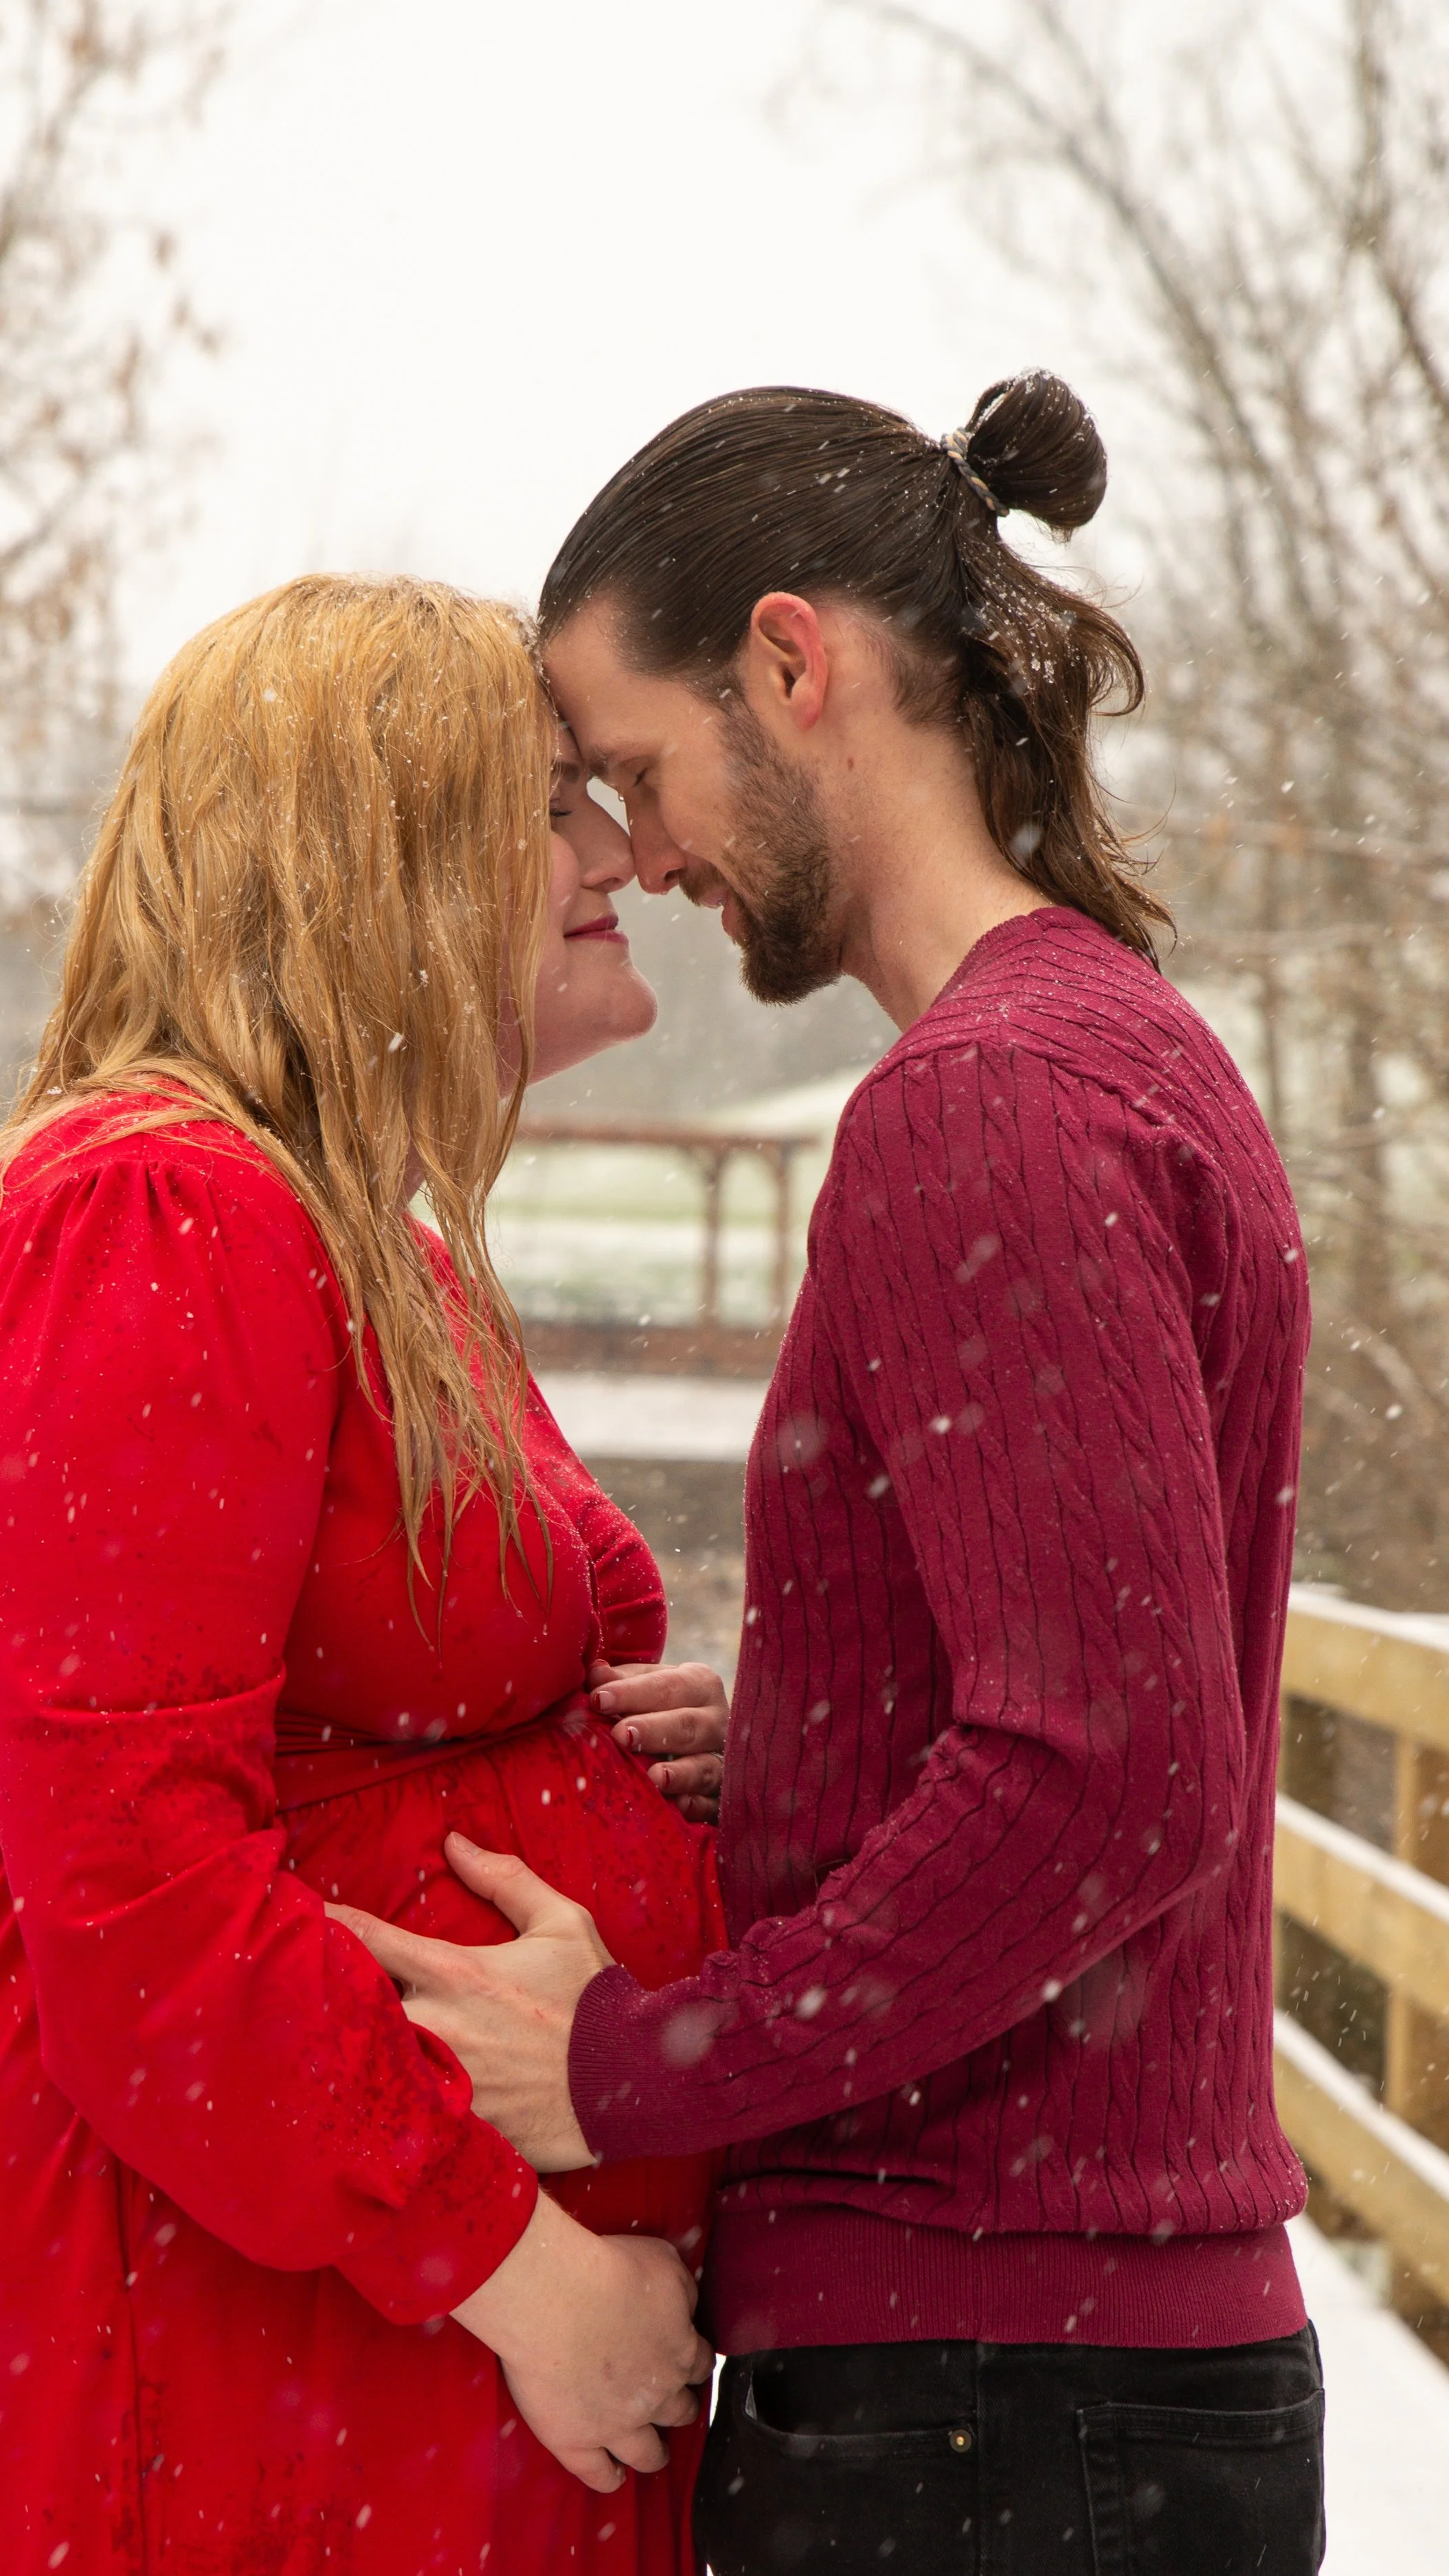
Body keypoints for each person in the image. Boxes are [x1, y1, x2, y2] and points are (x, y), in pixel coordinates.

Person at [334, 380, 1328, 2575]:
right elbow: (1088, 1681)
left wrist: (630, 2065)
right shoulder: (1106, 1044)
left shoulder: (984, 1106)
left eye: (641, 770)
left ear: (796, 663)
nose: (647, 856)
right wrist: (814, 1748)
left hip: (991, 2406)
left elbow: (1110, 1768)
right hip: (1057, 2389)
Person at [0, 575, 732, 2576]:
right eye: (548, 801)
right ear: (366, 842)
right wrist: (515, 2266)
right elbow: (135, 1885)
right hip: (156, 2302)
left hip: (305, 2311)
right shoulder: (161, 1214)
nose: (615, 852)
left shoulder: (345, 1224)